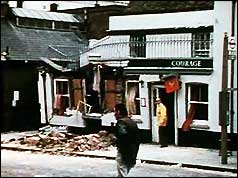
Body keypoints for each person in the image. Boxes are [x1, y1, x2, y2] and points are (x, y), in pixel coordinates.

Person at [114, 103, 140, 177]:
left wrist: (116, 141)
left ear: (118, 112)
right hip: (133, 151)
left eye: (115, 112)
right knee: (123, 172)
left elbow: (123, 136)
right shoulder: (132, 122)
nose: (114, 114)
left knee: (122, 171)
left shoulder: (121, 122)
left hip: (124, 152)